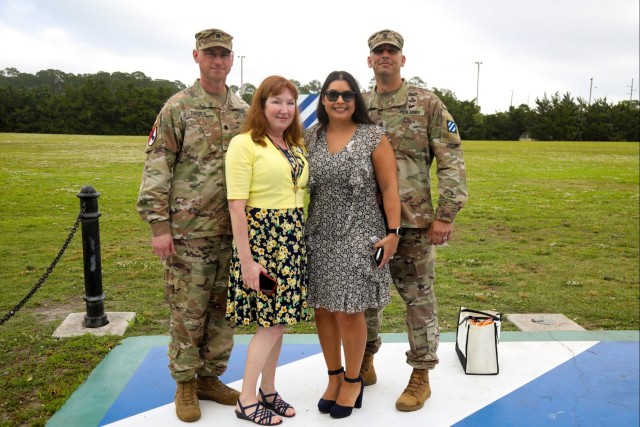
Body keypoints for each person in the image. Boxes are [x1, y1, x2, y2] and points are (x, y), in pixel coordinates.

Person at [136, 28, 248, 423]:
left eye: (224, 54)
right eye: (210, 53)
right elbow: (158, 164)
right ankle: (185, 382)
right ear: (196, 57)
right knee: (188, 309)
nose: (218, 60)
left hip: (233, 232)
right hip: (188, 230)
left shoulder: (243, 110)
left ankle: (209, 377)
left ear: (232, 60)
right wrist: (158, 225)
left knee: (223, 310)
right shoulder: (178, 108)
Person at [360, 29, 469, 412]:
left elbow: (451, 158)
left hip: (415, 222)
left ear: (403, 59)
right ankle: (365, 360)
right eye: (378, 52)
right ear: (369, 60)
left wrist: (446, 214)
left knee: (418, 299)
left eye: (392, 51)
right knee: (366, 299)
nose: (385, 56)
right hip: (367, 222)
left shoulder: (427, 103)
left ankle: (421, 374)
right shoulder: (359, 105)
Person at [304, 71, 401, 419]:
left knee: (349, 310)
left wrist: (393, 233)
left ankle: (353, 379)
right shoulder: (310, 137)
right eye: (332, 94)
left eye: (347, 94)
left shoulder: (374, 137)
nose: (339, 100)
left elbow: (390, 188)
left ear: (357, 99)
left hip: (360, 233)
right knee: (322, 309)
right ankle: (332, 377)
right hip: (318, 233)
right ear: (323, 99)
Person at [225, 75, 309, 426]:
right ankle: (246, 399)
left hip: (291, 240)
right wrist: (247, 261)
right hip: (263, 240)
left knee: (280, 322)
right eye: (276, 101)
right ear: (261, 106)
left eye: (290, 102)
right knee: (269, 325)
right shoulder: (245, 144)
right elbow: (236, 206)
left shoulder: (295, 146)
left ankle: (268, 391)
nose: (284, 109)